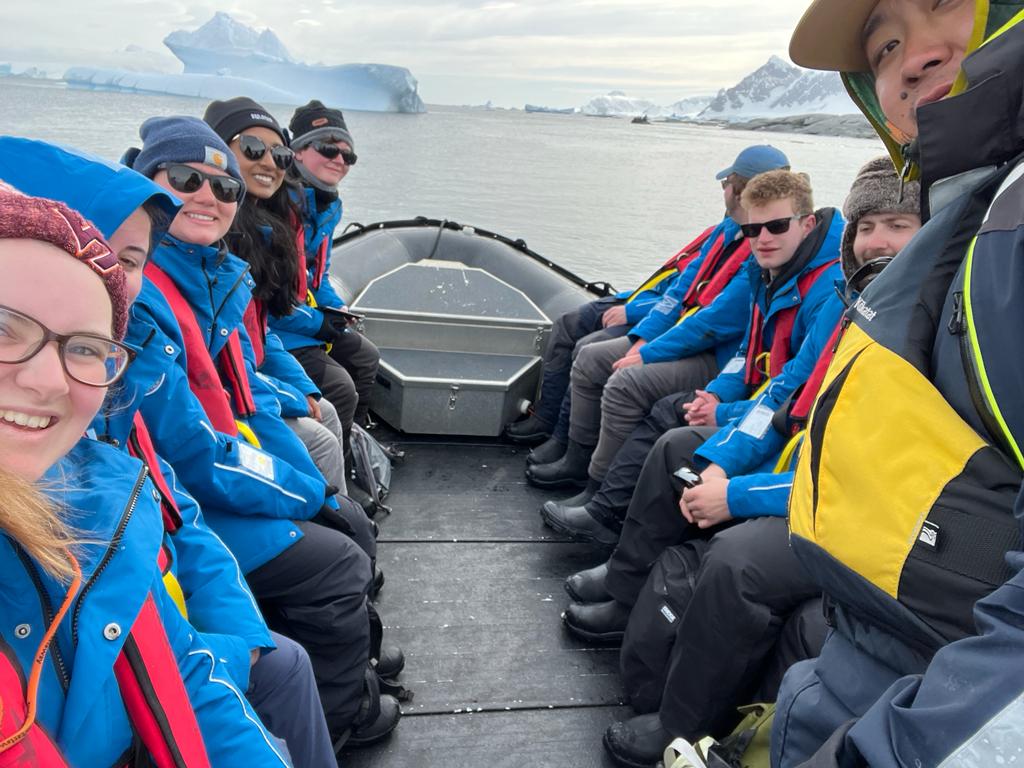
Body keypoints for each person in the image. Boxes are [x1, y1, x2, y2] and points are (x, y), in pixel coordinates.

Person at [0, 135, 340, 767]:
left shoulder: (95, 453)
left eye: (130, 259)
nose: (48, 377)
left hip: (183, 548)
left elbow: (179, 492)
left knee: (329, 419)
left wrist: (242, 634)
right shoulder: (120, 372)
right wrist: (312, 491)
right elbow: (197, 451)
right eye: (3, 327)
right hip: (209, 494)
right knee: (332, 563)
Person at [600, 157, 922, 768]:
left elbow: (868, 477)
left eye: (900, 225)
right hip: (806, 471)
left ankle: (682, 726)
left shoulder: (908, 328)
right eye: (868, 225)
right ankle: (627, 601)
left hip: (873, 516)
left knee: (738, 562)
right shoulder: (857, 307)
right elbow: (782, 392)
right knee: (683, 454)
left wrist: (739, 495)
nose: (879, 240)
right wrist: (720, 457)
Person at [772, 1, 1024, 766]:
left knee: (733, 575)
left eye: (944, 2)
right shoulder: (966, 222)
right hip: (867, 659)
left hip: (923, 714)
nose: (909, 58)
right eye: (883, 48)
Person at [121, 116, 400, 747]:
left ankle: (351, 664)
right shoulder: (151, 297)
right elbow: (194, 450)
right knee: (336, 550)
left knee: (345, 514)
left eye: (224, 188)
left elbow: (244, 376)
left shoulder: (208, 272)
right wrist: (302, 490)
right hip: (185, 497)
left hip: (190, 486)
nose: (209, 195)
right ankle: (340, 715)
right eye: (187, 178)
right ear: (146, 186)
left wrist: (304, 482)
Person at [562, 170, 844, 643]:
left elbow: (789, 390)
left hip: (786, 434)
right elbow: (748, 353)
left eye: (777, 227)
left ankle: (628, 581)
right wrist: (716, 393)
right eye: (752, 230)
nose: (762, 239)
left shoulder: (827, 292)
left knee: (676, 444)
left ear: (808, 224)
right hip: (761, 413)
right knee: (674, 438)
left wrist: (724, 421)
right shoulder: (770, 273)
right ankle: (625, 579)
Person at [524, 146, 790, 487]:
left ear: (741, 188)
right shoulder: (729, 230)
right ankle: (571, 449)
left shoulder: (759, 247)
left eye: (726, 181)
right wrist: (645, 337)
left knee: (616, 373)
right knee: (590, 351)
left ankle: (595, 482)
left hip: (715, 354)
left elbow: (716, 321)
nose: (722, 188)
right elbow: (681, 288)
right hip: (690, 336)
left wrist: (648, 351)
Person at [265, 99, 381, 443]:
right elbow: (266, 299)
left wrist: (336, 310)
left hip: (299, 314)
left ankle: (350, 443)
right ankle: (333, 459)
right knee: (341, 388)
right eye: (328, 148)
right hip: (277, 327)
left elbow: (319, 275)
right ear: (297, 152)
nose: (339, 160)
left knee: (365, 357)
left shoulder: (326, 206)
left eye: (348, 155)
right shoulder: (276, 206)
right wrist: (318, 323)